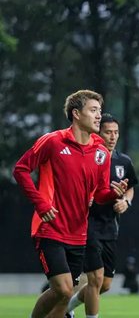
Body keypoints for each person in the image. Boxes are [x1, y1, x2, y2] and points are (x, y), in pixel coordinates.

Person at [13, 90, 127, 318]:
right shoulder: (53, 141)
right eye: (93, 110)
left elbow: (100, 193)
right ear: (76, 113)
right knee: (63, 288)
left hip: (79, 234)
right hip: (50, 229)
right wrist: (41, 204)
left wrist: (114, 193)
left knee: (65, 295)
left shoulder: (101, 152)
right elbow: (20, 170)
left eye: (100, 111)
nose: (98, 116)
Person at [66, 113, 139, 318]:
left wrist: (126, 201)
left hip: (110, 227)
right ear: (98, 132)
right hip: (87, 225)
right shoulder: (88, 157)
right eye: (108, 132)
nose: (113, 136)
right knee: (95, 279)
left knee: (104, 285)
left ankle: (66, 309)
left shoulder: (123, 161)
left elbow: (131, 187)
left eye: (116, 132)